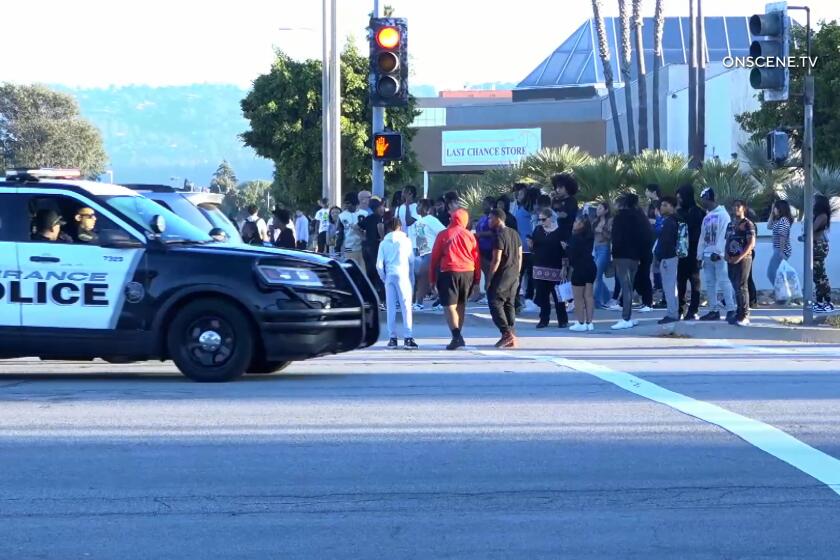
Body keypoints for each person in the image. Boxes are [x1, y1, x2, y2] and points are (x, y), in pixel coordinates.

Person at [430, 208, 481, 351]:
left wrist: (432, 279)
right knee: (461, 305)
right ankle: (458, 335)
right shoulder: (470, 236)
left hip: (449, 271)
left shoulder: (444, 234)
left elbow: (434, 259)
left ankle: (456, 335)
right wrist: (477, 280)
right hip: (468, 272)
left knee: (449, 306)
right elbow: (477, 259)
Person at [376, 217, 418, 350]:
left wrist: (384, 277)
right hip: (403, 274)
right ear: (400, 227)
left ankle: (392, 339)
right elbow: (411, 261)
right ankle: (408, 338)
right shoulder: (406, 241)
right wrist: (412, 279)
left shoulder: (383, 243)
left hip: (389, 275)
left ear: (388, 228)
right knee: (406, 307)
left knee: (391, 307)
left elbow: (378, 265)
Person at [486, 209, 523, 348]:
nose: (489, 221)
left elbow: (496, 259)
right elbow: (520, 256)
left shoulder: (499, 236)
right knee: (509, 304)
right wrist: (517, 273)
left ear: (498, 218)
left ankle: (506, 333)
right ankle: (511, 333)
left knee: (495, 302)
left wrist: (489, 278)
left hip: (502, 275)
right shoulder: (515, 234)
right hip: (513, 275)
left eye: (490, 218)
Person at [697, 187, 735, 321]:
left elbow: (726, 234)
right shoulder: (707, 216)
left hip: (719, 255)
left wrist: (718, 251)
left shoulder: (723, 215)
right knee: (710, 283)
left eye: (703, 199)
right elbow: (702, 236)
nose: (701, 202)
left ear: (708, 198)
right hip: (707, 255)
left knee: (724, 281)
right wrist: (699, 255)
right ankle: (713, 310)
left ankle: (731, 309)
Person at [610, 194, 646, 330]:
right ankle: (628, 316)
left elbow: (616, 238)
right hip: (635, 256)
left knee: (625, 287)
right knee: (629, 287)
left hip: (622, 255)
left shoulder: (619, 218)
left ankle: (626, 318)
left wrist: (614, 254)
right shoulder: (639, 217)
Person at [531, 208, 568, 328]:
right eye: (540, 219)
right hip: (539, 267)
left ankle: (562, 320)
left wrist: (564, 267)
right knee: (542, 295)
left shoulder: (560, 231)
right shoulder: (537, 230)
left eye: (543, 219)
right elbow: (534, 247)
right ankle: (543, 319)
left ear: (551, 218)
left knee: (558, 295)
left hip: (555, 267)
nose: (541, 222)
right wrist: (531, 245)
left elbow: (564, 251)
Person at [725, 200, 756, 327]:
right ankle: (738, 313)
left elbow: (751, 243)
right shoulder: (730, 224)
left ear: (744, 208)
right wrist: (726, 254)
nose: (736, 208)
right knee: (735, 285)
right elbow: (727, 240)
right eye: (734, 206)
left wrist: (740, 256)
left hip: (743, 258)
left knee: (742, 286)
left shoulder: (748, 224)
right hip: (731, 259)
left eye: (738, 206)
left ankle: (744, 314)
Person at [676, 183, 704, 320]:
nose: (679, 200)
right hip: (682, 252)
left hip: (693, 250)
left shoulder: (697, 212)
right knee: (681, 281)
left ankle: (693, 309)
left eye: (680, 198)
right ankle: (681, 308)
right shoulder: (680, 212)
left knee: (694, 281)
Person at [412, 199, 446, 310]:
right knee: (430, 279)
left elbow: (444, 232)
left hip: (432, 253)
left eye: (420, 205)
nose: (417, 207)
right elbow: (421, 239)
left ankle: (419, 303)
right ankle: (440, 300)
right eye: (417, 205)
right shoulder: (419, 222)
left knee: (423, 277)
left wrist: (439, 248)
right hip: (423, 253)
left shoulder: (431, 220)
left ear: (427, 209)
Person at [564, 216, 596, 332]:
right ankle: (590, 322)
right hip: (591, 266)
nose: (574, 223)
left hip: (580, 267)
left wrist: (566, 248)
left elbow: (572, 255)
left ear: (582, 224)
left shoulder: (575, 238)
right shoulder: (590, 236)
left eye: (577, 221)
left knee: (578, 297)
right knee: (589, 296)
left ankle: (581, 322)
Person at [655, 196, 680, 324]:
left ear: (672, 206)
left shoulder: (669, 222)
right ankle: (673, 311)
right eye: (661, 205)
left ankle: (672, 313)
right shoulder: (670, 220)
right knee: (671, 286)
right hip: (669, 257)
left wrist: (662, 256)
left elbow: (666, 241)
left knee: (669, 286)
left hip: (668, 257)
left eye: (665, 205)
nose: (662, 207)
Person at [514, 186, 538, 309]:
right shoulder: (518, 208)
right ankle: (517, 299)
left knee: (530, 274)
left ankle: (529, 298)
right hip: (521, 247)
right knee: (519, 274)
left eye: (522, 193)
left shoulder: (532, 211)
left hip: (530, 247)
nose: (519, 195)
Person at [767, 199, 793, 303]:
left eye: (775, 208)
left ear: (780, 209)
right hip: (778, 250)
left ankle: (783, 296)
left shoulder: (783, 221)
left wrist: (781, 252)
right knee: (778, 274)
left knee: (771, 273)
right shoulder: (779, 220)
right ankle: (782, 296)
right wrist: (772, 213)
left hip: (781, 250)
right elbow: (768, 226)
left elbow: (783, 236)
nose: (774, 210)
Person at [811, 194, 834, 313]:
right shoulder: (818, 215)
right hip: (815, 245)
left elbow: (812, 229)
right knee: (817, 275)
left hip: (819, 246)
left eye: (814, 202)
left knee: (820, 275)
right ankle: (819, 302)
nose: (812, 203)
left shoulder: (822, 216)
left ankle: (828, 301)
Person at [361, 199, 386, 300]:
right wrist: (383, 238)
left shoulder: (368, 218)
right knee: (379, 270)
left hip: (366, 246)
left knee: (369, 271)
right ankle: (381, 297)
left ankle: (370, 296)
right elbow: (380, 226)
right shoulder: (378, 218)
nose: (383, 209)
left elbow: (357, 227)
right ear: (377, 208)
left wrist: (363, 236)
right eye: (382, 207)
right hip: (375, 246)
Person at [474, 196, 497, 302]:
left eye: (485, 204)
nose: (483, 206)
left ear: (491, 205)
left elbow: (493, 232)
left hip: (490, 248)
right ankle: (487, 293)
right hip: (480, 248)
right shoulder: (483, 217)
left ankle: (490, 294)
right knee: (485, 271)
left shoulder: (492, 218)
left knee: (490, 272)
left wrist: (480, 234)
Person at [338, 193, 368, 273]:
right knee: (351, 271)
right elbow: (340, 234)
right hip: (349, 247)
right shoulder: (341, 216)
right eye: (346, 203)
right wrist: (338, 248)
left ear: (354, 202)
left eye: (349, 203)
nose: (347, 205)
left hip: (363, 247)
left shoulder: (364, 214)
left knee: (363, 272)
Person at [593, 201, 613, 309]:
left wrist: (602, 231)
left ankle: (597, 301)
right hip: (595, 249)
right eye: (597, 208)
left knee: (597, 275)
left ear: (606, 210)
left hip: (604, 248)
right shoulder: (595, 221)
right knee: (596, 275)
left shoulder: (610, 221)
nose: (598, 210)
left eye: (600, 208)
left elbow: (610, 236)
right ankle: (607, 298)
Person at [551, 173, 579, 239]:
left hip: (567, 234)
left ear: (567, 187)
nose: (558, 190)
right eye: (557, 187)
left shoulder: (572, 201)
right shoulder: (554, 199)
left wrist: (553, 214)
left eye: (560, 187)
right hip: (554, 234)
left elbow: (565, 215)